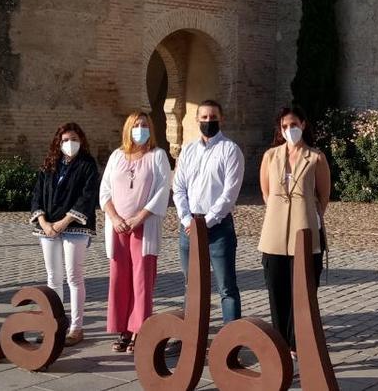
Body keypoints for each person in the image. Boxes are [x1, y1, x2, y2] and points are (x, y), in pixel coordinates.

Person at [258, 106, 330, 356]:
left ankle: (298, 341)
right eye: (285, 126)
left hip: (304, 231)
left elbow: (323, 195)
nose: (290, 130)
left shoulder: (316, 157)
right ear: (280, 129)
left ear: (303, 124)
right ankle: (280, 342)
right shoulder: (270, 156)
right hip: (274, 233)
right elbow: (266, 192)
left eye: (294, 125)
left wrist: (306, 212)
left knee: (303, 289)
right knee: (276, 289)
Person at [99, 111, 172, 353]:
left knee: (142, 280)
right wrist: (115, 217)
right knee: (119, 278)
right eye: (136, 125)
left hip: (144, 226)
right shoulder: (117, 156)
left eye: (144, 125)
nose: (140, 129)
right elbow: (105, 191)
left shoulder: (157, 156)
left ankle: (140, 330)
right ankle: (123, 328)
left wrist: (140, 217)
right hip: (118, 226)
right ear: (128, 129)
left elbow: (163, 189)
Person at [172, 99, 245, 324]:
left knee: (226, 287)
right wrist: (186, 218)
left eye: (213, 117)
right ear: (197, 120)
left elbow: (229, 193)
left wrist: (208, 221)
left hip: (218, 227)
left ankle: (230, 342)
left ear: (221, 119)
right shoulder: (188, 150)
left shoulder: (230, 150)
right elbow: (179, 187)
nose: (208, 121)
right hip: (189, 225)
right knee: (192, 285)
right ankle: (192, 337)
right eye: (204, 117)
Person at [30, 122, 99, 346]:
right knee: (53, 278)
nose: (70, 144)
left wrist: (65, 221)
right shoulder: (50, 165)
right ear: (58, 142)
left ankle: (76, 328)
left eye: (74, 139)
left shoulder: (87, 165)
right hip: (48, 227)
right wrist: (43, 221)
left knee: (74, 276)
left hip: (75, 227)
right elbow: (38, 194)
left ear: (81, 140)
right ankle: (54, 324)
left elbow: (87, 196)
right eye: (66, 140)